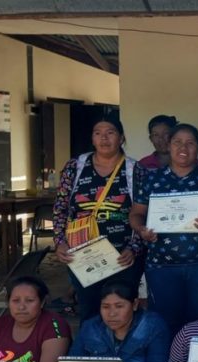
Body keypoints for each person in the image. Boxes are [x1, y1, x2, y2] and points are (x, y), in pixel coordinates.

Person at [130, 123, 198, 336]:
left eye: (190, 143)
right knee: (165, 321)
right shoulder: (152, 178)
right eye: (177, 142)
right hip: (162, 266)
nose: (184, 147)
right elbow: (136, 213)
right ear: (169, 145)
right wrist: (141, 229)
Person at [52, 114, 147, 322]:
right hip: (82, 255)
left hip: (122, 257)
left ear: (121, 138)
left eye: (110, 133)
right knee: (90, 311)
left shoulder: (135, 170)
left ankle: (123, 354)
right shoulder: (75, 167)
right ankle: (93, 353)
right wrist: (60, 242)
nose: (104, 139)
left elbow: (144, 213)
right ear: (92, 138)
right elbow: (60, 208)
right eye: (98, 133)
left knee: (122, 313)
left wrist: (134, 248)